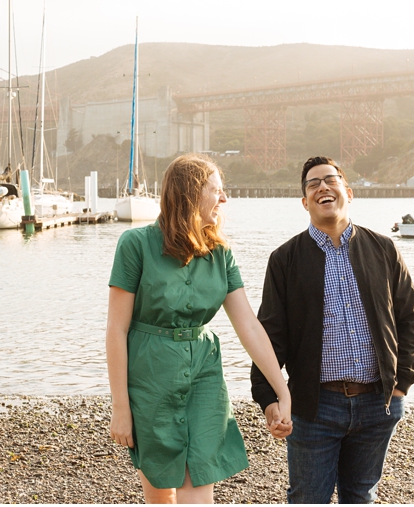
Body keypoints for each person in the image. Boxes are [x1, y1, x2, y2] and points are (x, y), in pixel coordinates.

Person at [107, 154, 293, 504]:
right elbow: (116, 329)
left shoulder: (220, 252)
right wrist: (121, 407)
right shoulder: (135, 245)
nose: (224, 199)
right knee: (161, 490)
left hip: (205, 373)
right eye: (216, 190)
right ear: (191, 193)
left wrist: (282, 391)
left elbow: (249, 327)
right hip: (150, 375)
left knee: (200, 487)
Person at [251, 156, 414, 504]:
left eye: (330, 180)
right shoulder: (285, 259)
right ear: (304, 202)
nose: (322, 187)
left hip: (378, 403)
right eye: (313, 184)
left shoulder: (384, 249)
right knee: (307, 498)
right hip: (314, 406)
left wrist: (402, 382)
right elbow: (269, 335)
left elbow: (409, 318)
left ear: (348, 191)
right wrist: (267, 397)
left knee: (361, 495)